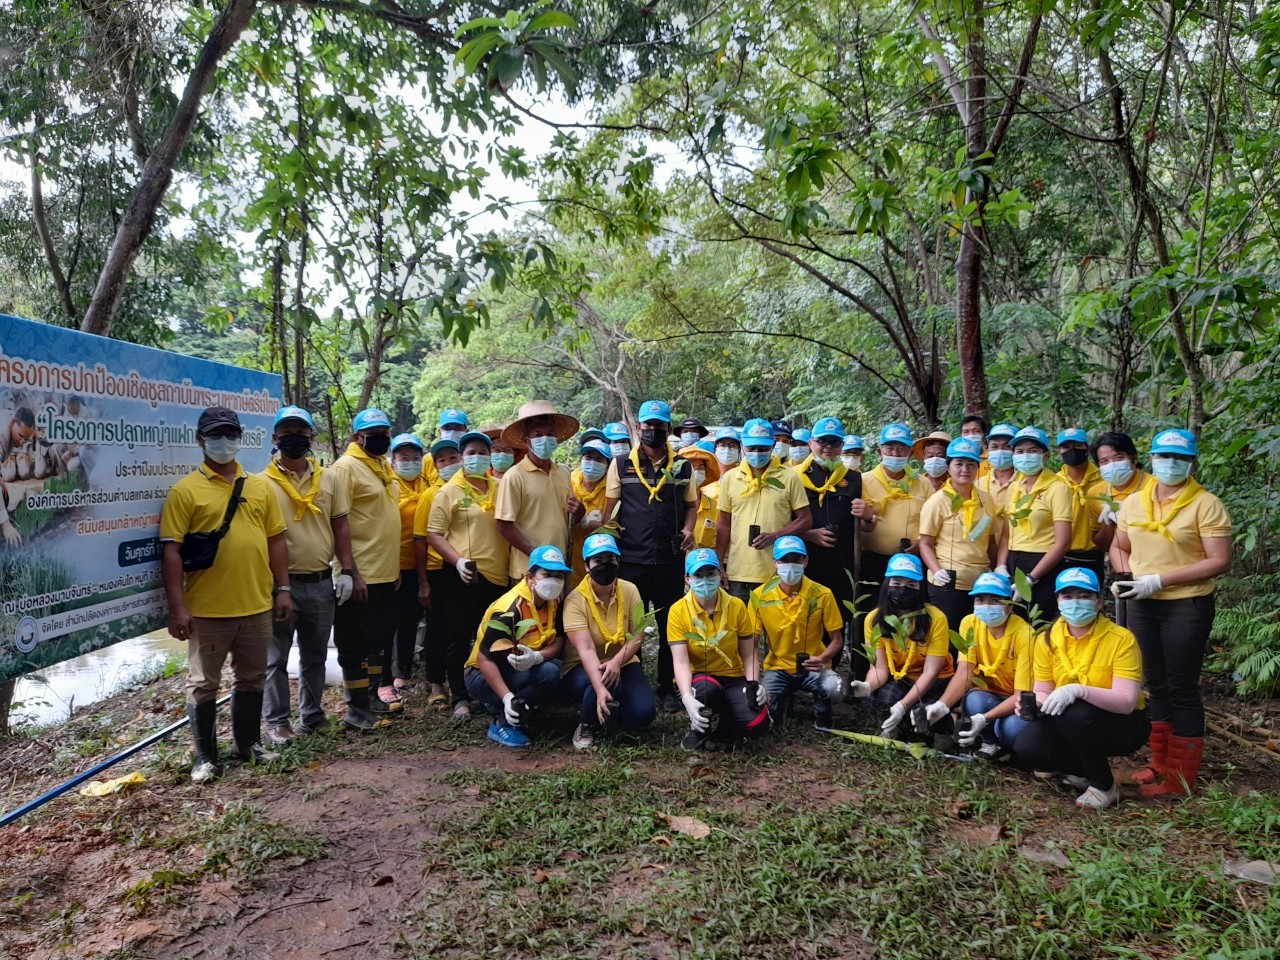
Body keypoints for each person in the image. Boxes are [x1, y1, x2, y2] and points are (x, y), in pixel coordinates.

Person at [160, 406, 292, 782]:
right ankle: (204, 757)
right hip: (207, 609)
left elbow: (276, 540)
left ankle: (247, 744)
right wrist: (177, 606)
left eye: (230, 435)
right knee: (204, 683)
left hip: (256, 604)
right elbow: (171, 550)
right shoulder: (185, 492)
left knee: (251, 678)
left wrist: (282, 589)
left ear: (240, 439)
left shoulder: (259, 487)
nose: (224, 443)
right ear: (200, 440)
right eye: (215, 436)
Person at [1114, 429, 1231, 797]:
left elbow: (1219, 560)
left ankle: (1181, 778)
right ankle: (1160, 765)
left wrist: (1159, 580)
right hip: (1141, 603)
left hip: (1186, 604)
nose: (1171, 464)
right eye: (1164, 456)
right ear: (1151, 459)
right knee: (1155, 685)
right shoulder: (1134, 502)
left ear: (1192, 462)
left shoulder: (1206, 504)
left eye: (1180, 458)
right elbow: (1119, 545)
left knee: (1181, 687)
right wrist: (1125, 576)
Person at [1013, 567, 1151, 811]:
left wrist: (1079, 690)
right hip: (1072, 718)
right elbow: (1044, 688)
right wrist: (1038, 703)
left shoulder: (1121, 639)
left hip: (1121, 722)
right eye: (1067, 596)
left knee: (1075, 711)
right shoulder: (1046, 639)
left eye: (1084, 596)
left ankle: (1104, 786)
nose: (1075, 602)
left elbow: (1127, 701)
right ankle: (1082, 770)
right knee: (1028, 748)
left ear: (1098, 602)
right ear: (1057, 600)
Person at [259, 405, 356, 744]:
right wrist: (278, 587)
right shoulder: (261, 483)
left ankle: (312, 717)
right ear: (275, 437)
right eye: (287, 432)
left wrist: (347, 570)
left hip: (319, 581)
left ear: (311, 437)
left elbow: (340, 526)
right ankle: (277, 723)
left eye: (300, 432)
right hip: (278, 586)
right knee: (276, 658)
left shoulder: (329, 478)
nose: (294, 438)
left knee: (314, 656)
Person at [603, 400, 698, 713]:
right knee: (633, 627)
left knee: (670, 623)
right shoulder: (619, 464)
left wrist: (688, 530)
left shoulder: (682, 466)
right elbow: (610, 510)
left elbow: (691, 505)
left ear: (669, 429)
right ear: (637, 428)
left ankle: (668, 685)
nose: (653, 431)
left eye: (659, 425)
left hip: (670, 560)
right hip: (632, 560)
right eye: (648, 425)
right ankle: (635, 682)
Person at [424, 430, 510, 721]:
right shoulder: (448, 491)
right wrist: (458, 561)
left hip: (498, 575)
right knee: (458, 637)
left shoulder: (500, 486)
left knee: (493, 638)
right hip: (463, 575)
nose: (477, 457)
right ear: (461, 458)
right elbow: (434, 534)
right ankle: (459, 696)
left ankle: (489, 692)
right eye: (470, 453)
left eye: (482, 452)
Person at [328, 408, 404, 729]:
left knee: (378, 640)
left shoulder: (382, 467)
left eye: (385, 432)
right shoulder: (345, 468)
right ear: (357, 437)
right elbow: (337, 520)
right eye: (373, 433)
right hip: (359, 574)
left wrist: (396, 567)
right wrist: (349, 570)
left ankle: (372, 697)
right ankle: (356, 710)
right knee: (354, 643)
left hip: (386, 573)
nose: (381, 438)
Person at [463, 544, 569, 747]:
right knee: (548, 672)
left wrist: (538, 657)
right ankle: (502, 720)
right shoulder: (510, 610)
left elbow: (559, 641)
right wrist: (507, 697)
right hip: (481, 673)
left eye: (559, 576)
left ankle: (505, 704)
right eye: (546, 574)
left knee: (553, 666)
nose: (553, 581)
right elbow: (485, 658)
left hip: (518, 666)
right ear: (530, 578)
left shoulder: (554, 600)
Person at [667, 548, 769, 750]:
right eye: (699, 575)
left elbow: (749, 654)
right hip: (700, 678)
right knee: (706, 692)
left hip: (732, 676)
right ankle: (699, 729)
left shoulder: (737, 606)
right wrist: (686, 696)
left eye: (711, 573)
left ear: (720, 574)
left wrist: (754, 684)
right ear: (688, 579)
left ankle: (726, 727)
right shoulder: (678, 611)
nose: (705, 580)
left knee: (757, 724)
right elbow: (680, 661)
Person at [562, 533, 658, 750]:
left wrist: (616, 661)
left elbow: (638, 632)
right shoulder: (575, 600)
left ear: (618, 562)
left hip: (623, 661)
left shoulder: (630, 589)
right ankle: (586, 723)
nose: (604, 565)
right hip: (582, 666)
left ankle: (610, 713)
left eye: (610, 560)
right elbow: (585, 649)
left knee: (643, 714)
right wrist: (599, 685)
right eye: (597, 561)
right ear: (587, 566)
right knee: (608, 682)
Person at [848, 553, 954, 741]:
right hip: (901, 677)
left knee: (919, 714)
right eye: (896, 583)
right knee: (883, 699)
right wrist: (867, 686)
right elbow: (879, 668)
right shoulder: (873, 619)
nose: (903, 589)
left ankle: (940, 726)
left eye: (911, 585)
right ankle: (898, 723)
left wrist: (903, 705)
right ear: (886, 584)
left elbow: (931, 672)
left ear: (920, 588)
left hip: (935, 680)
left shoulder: (936, 619)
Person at [929, 572, 1033, 759]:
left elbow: (1021, 694)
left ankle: (1005, 744)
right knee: (974, 700)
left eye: (994, 600)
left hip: (1014, 699)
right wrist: (942, 705)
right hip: (986, 694)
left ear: (1009, 607)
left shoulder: (1025, 634)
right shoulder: (970, 623)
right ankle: (989, 743)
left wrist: (984, 718)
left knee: (1010, 729)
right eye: (980, 599)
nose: (986, 606)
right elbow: (964, 673)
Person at [751, 536, 846, 728]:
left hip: (813, 665)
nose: (790, 565)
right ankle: (782, 701)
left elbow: (837, 640)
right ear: (775, 562)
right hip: (777, 667)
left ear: (805, 561)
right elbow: (752, 644)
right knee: (761, 703)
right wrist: (755, 682)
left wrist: (822, 658)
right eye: (785, 560)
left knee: (835, 689)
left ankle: (822, 709)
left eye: (796, 559)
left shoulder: (822, 594)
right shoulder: (760, 596)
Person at [716, 418, 812, 601]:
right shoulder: (730, 478)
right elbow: (724, 524)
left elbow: (805, 520)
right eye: (751, 449)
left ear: (773, 446)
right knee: (742, 628)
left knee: (775, 628)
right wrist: (719, 563)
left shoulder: (789, 477)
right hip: (738, 572)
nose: (757, 453)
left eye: (762, 448)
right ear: (743, 446)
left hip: (778, 572)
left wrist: (776, 535)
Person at [850, 423, 932, 632]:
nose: (895, 453)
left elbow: (934, 522)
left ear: (910, 452)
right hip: (873, 560)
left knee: (910, 613)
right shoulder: (863, 481)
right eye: (889, 448)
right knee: (872, 612)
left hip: (912, 561)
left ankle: (911, 657)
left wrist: (921, 543)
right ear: (880, 451)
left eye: (901, 448)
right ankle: (867, 662)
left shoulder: (923, 484)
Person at [917, 437, 1004, 630]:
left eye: (971, 464)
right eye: (959, 464)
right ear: (949, 467)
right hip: (947, 582)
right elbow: (925, 543)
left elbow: (990, 541)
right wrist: (936, 570)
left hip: (981, 582)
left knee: (976, 636)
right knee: (949, 638)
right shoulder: (937, 501)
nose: (965, 469)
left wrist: (999, 569)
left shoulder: (986, 499)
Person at [794, 416, 859, 648]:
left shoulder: (853, 479)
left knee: (837, 622)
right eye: (823, 442)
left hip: (841, 566)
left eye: (834, 442)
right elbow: (783, 522)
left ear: (842, 446)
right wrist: (809, 534)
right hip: (806, 563)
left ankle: (831, 671)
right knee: (804, 621)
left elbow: (866, 525)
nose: (828, 448)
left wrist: (869, 515)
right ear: (811, 443)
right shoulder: (795, 477)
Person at [496, 400, 580, 580]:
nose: (545, 438)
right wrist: (536, 555)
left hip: (559, 567)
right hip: (527, 570)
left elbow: (567, 518)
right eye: (538, 434)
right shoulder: (514, 476)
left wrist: (579, 511)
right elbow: (503, 525)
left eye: (550, 434)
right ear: (527, 441)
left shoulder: (563, 473)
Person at [1005, 426, 1073, 626]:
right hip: (1014, 561)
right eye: (1020, 451)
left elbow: (1063, 543)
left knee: (1040, 625)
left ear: (1045, 456)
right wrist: (1002, 565)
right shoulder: (1014, 486)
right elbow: (1006, 531)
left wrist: (1032, 578)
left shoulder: (1058, 488)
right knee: (1014, 626)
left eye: (1032, 451)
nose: (1026, 456)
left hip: (1043, 563)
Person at [414, 438, 460, 707]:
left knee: (459, 629)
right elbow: (421, 539)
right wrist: (423, 583)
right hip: (436, 570)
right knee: (438, 628)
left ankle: (460, 683)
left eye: (452, 458)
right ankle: (435, 684)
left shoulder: (473, 489)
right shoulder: (430, 495)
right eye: (441, 460)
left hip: (460, 569)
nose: (448, 464)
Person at [1087, 431, 1149, 627]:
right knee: (1127, 620)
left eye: (1118, 458)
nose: (1112, 465)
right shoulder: (1096, 493)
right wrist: (1108, 521)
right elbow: (1102, 543)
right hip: (1121, 567)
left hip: (1153, 563)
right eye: (1104, 461)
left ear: (1133, 458)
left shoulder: (1154, 486)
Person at [389, 433, 429, 702]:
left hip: (424, 563)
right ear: (393, 461)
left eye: (415, 458)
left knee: (414, 618)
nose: (410, 463)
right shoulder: (388, 486)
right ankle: (395, 673)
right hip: (396, 564)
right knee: (396, 620)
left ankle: (410, 667)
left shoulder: (427, 483)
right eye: (403, 458)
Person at [1057, 428, 1105, 584]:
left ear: (1087, 448)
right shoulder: (1055, 482)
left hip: (1093, 553)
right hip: (1059, 554)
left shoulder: (1104, 478)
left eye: (1077, 445)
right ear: (1059, 452)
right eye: (1066, 447)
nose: (1072, 451)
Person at [568, 430, 611, 586]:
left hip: (598, 567)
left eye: (599, 459)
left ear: (608, 464)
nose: (593, 462)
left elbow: (612, 528)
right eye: (588, 457)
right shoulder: (568, 482)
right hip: (569, 563)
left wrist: (583, 520)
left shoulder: (613, 490)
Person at [681, 437, 721, 550]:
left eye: (701, 468)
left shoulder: (715, 506)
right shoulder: (671, 503)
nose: (696, 472)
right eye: (692, 467)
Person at [977, 422, 1019, 513]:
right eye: (995, 446)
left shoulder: (1026, 482)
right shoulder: (978, 484)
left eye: (1007, 446)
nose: (1000, 451)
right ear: (988, 450)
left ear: (1017, 450)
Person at [422, 408, 469, 486]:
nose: (452, 431)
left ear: (466, 431)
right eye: (447, 428)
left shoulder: (473, 455)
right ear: (440, 432)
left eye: (458, 427)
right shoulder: (428, 459)